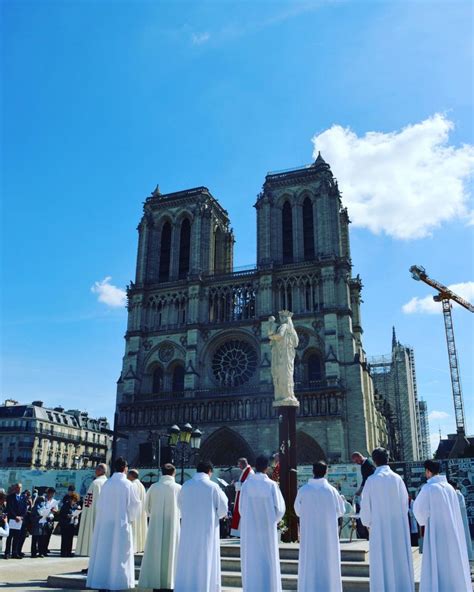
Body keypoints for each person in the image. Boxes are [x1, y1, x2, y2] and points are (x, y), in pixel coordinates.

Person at [359, 447, 414, 592]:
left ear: (374, 461)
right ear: (388, 459)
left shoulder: (371, 480)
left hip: (379, 527)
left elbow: (365, 506)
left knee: (381, 562)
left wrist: (367, 523)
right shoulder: (397, 479)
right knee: (398, 560)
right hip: (397, 528)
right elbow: (405, 504)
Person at [414, 460, 470, 592]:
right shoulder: (450, 488)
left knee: (438, 563)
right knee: (453, 561)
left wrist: (424, 521)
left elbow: (418, 510)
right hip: (452, 533)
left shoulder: (428, 488)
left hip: (437, 533)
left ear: (428, 471)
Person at [86, 457, 142, 591]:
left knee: (105, 553)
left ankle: (102, 582)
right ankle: (118, 583)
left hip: (105, 525)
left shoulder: (107, 484)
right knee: (120, 554)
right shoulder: (128, 485)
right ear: (125, 468)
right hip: (121, 525)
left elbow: (99, 505)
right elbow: (135, 505)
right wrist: (130, 519)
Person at [174, 460, 228, 592]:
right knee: (206, 558)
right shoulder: (213, 486)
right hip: (207, 531)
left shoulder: (186, 486)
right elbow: (223, 508)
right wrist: (217, 515)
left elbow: (180, 505)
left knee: (189, 558)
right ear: (209, 471)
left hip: (189, 530)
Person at [294, 460, 345, 592]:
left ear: (312, 471)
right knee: (328, 561)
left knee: (310, 560)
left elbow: (297, 510)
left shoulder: (304, 490)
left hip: (309, 533)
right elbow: (341, 511)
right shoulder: (332, 491)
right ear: (326, 472)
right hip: (328, 535)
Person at [240, 455, 286, 592]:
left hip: (250, 529)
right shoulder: (271, 485)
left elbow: (241, 508)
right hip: (267, 529)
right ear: (267, 468)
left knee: (252, 558)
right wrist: (272, 520)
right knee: (268, 558)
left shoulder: (247, 485)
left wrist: (250, 519)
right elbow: (280, 509)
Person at [138, 463, 182, 591]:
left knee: (155, 551)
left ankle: (155, 581)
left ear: (162, 473)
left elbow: (147, 508)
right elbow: (183, 508)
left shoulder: (154, 487)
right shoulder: (178, 488)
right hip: (173, 524)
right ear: (174, 473)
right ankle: (170, 582)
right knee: (172, 551)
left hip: (155, 525)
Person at [76, 463, 108, 556]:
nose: (95, 471)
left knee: (91, 537)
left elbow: (88, 502)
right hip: (104, 516)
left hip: (93, 514)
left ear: (100, 471)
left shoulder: (95, 483)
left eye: (97, 469)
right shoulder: (108, 482)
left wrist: (86, 515)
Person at [351, 451, 375, 539]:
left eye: (356, 460)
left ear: (359, 456)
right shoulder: (364, 464)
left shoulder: (367, 464)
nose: (356, 463)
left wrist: (360, 490)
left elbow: (366, 479)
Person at [449, 480, 473, 561]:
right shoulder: (454, 494)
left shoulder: (458, 495)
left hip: (460, 521)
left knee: (463, 538)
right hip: (456, 520)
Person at [230, 458, 254, 536]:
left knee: (242, 514)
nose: (238, 466)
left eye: (239, 464)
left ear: (244, 464)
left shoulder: (250, 472)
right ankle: (240, 533)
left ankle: (242, 533)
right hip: (242, 496)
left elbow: (247, 486)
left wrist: (235, 484)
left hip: (245, 498)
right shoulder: (245, 471)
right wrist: (237, 483)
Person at [4, 483, 28, 559]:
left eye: (20, 487)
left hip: (20, 520)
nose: (19, 489)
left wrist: (21, 517)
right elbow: (9, 508)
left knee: (17, 537)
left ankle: (15, 552)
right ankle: (7, 553)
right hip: (12, 519)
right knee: (10, 537)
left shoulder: (23, 497)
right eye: (17, 487)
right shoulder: (10, 497)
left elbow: (25, 508)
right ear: (15, 488)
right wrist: (15, 516)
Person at [127, 468, 148, 553]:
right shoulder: (141, 485)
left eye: (128, 474)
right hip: (141, 512)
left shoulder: (133, 485)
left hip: (134, 513)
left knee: (134, 530)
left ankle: (134, 547)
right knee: (140, 529)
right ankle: (139, 546)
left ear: (131, 475)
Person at [60, 491, 81, 557]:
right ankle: (63, 552)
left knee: (70, 539)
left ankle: (69, 552)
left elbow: (76, 512)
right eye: (73, 500)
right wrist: (67, 515)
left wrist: (76, 515)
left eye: (75, 501)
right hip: (65, 524)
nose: (74, 502)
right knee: (64, 539)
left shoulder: (75, 506)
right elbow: (62, 514)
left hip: (71, 524)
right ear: (70, 499)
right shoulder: (65, 505)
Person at [42, 487, 59, 556]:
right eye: (50, 493)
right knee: (42, 536)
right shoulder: (44, 500)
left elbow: (57, 511)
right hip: (44, 519)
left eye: (53, 494)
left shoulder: (54, 501)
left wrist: (53, 510)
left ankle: (45, 549)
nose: (51, 495)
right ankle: (41, 549)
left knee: (48, 536)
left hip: (50, 519)